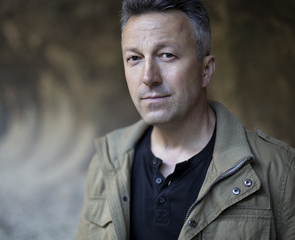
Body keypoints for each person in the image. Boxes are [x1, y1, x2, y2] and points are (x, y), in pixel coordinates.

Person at [76, 0, 295, 239]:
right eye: (135, 58)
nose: (148, 77)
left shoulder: (281, 172)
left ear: (206, 70)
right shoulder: (107, 162)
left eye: (167, 55)